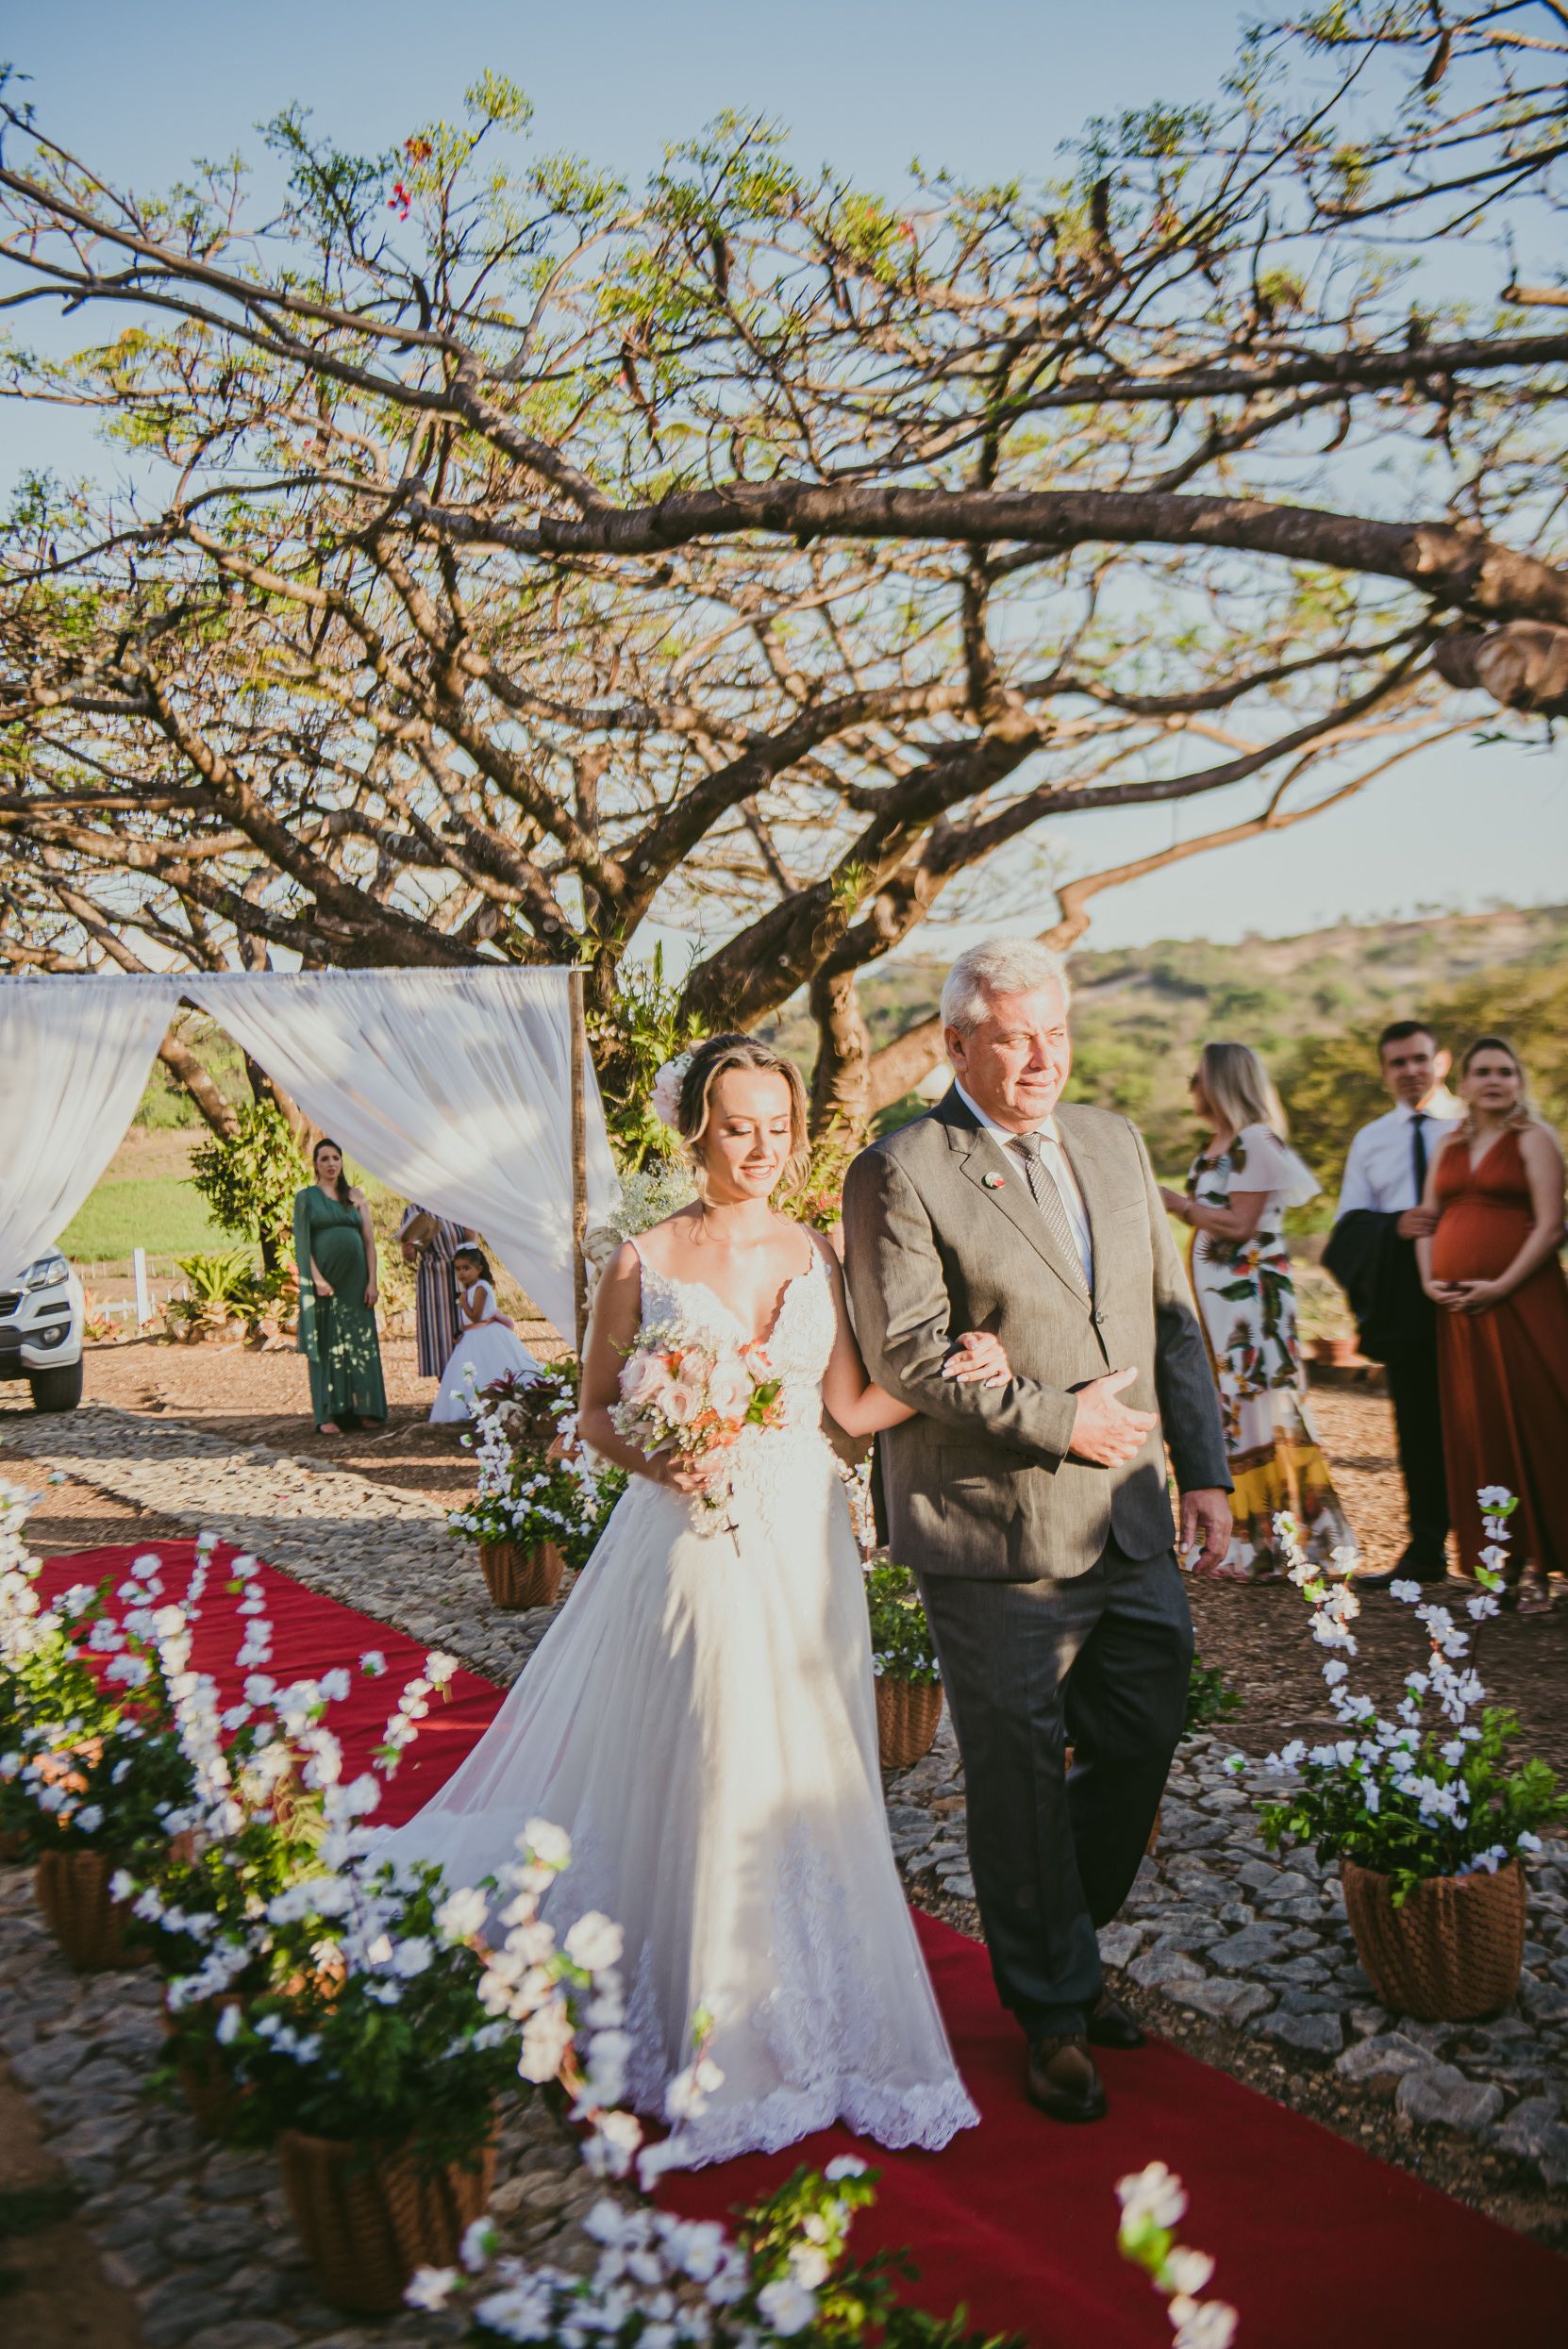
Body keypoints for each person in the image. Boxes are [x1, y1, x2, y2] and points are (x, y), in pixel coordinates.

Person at [381, 1032, 1015, 2172]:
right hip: (692, 1539)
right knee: (719, 1753)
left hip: (805, 1543)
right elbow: (594, 1415)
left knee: (809, 1764)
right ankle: (714, 2031)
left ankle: (820, 2014)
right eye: (740, 1127)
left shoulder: (818, 1251)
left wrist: (952, 1379)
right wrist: (663, 1457)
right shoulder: (644, 1259)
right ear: (695, 1132)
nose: (763, 1148)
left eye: (779, 1126)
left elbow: (849, 1410)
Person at [842, 939, 1231, 2130]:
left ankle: (1059, 1924)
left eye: (1054, 1032)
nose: (1040, 1058)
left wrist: (1207, 1473)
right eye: (1012, 1036)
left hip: (1130, 1516)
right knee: (1013, 1775)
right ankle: (1055, 2010)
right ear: (956, 1044)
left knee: (1146, 1718)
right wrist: (1063, 1422)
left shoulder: (1114, 1141)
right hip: (991, 1525)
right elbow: (906, 1350)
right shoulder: (901, 1166)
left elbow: (1172, 1316)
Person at [1159, 1042, 1358, 1582]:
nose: (1190, 1088)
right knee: (1231, 1409)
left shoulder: (1256, 1141)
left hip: (1255, 1307)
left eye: (1197, 1078)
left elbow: (1241, 1224)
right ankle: (1248, 1540)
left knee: (1261, 1407)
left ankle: (1284, 1544)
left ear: (1222, 1082)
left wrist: (1174, 1202)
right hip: (1221, 1303)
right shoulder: (1217, 1144)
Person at [1419, 1036, 1568, 1612]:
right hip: (1459, 1311)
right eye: (1483, 1071)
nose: (1494, 1081)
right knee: (1478, 1426)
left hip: (1523, 1301)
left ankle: (1539, 1566)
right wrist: (1431, 1280)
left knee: (1534, 1419)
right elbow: (1429, 1219)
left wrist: (1503, 1285)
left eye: (1506, 1071)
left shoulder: (1534, 1139)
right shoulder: (1449, 1145)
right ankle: (1496, 1565)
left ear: (1519, 1080)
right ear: (1467, 1081)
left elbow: (1552, 1227)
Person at [1326, 1021, 1461, 1589]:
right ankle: (1427, 1548)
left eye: (1420, 1059)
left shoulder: (1476, 1124)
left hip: (1479, 1280)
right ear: (1385, 1072)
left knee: (1494, 1414)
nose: (1411, 1071)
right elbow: (1347, 1228)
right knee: (1419, 1420)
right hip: (1405, 1290)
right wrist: (1395, 1225)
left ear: (1443, 1061)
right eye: (1398, 1063)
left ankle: (1514, 1556)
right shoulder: (1372, 1140)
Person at [292, 1140, 387, 1435]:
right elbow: (302, 1242)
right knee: (327, 1342)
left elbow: (369, 1242)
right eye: (324, 1159)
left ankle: (364, 1409)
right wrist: (316, 1279)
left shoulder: (356, 1196)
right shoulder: (306, 1197)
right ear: (316, 1164)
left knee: (360, 1343)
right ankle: (327, 1414)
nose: (331, 1163)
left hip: (357, 1282)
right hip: (325, 1283)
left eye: (336, 1158)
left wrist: (372, 1281)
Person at [430, 1246, 544, 1422]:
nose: (461, 1273)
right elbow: (469, 1322)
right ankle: (471, 1407)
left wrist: (463, 1303)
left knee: (491, 1366)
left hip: (485, 1334)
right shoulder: (471, 1289)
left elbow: (476, 1316)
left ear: (479, 1268)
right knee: (467, 1373)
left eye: (466, 1268)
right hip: (472, 1336)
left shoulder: (480, 1288)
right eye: (458, 1269)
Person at [397, 1204, 474, 1378]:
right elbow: (410, 1258)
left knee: (467, 1333)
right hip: (433, 1282)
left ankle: (471, 1391)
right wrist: (408, 1251)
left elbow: (472, 1244)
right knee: (440, 1337)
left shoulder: (459, 1203)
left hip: (463, 1274)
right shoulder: (415, 1210)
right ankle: (447, 1391)